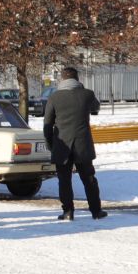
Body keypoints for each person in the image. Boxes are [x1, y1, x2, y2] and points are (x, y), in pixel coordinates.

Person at [43, 66, 107, 220]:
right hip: (82, 144)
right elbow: (96, 107)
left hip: (61, 145)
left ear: (62, 80)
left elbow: (47, 125)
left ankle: (68, 212)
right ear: (78, 79)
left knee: (64, 180)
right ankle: (96, 211)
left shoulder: (54, 97)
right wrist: (83, 91)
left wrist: (51, 145)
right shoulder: (87, 94)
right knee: (89, 178)